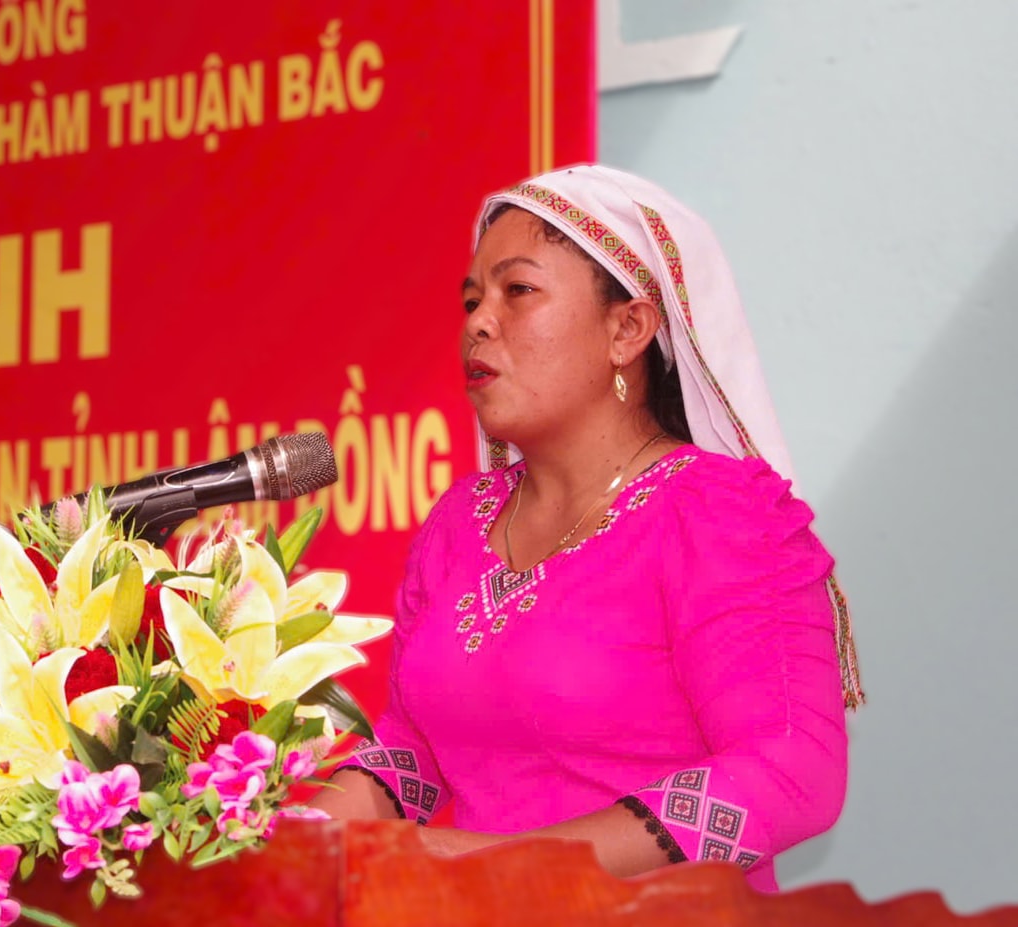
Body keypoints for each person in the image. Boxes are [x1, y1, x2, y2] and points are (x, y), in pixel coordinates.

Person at [311, 165, 862, 893]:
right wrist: (290, 844)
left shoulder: (722, 514)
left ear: (627, 329)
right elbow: (415, 755)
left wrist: (503, 866)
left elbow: (792, 771)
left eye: (518, 290)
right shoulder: (460, 524)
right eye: (472, 299)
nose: (478, 322)